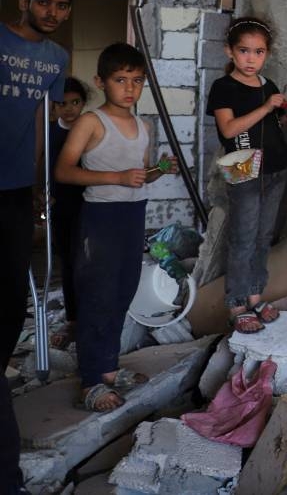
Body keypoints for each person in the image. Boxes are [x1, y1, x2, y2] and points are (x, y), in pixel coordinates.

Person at [55, 43, 178, 412]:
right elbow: (63, 171)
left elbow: (138, 178)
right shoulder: (91, 121)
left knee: (122, 293)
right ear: (101, 82)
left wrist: (159, 170)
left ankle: (108, 369)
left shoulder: (142, 126)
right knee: (98, 297)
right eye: (120, 79)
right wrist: (117, 176)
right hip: (101, 219)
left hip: (132, 216)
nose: (129, 88)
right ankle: (91, 381)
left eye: (137, 80)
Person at [0, 0, 74, 494]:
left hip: (15, 193)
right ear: (24, 1)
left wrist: (39, 182)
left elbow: (43, 124)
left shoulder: (56, 59)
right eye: (43, 3)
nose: (51, 13)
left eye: (61, 6)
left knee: (10, 297)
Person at [207, 17, 287, 334]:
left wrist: (283, 117)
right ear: (229, 52)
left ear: (267, 54)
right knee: (243, 239)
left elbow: (267, 130)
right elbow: (230, 129)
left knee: (263, 237)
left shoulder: (268, 86)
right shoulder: (224, 88)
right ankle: (236, 304)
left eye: (258, 52)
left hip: (275, 169)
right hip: (243, 169)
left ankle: (255, 298)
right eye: (244, 51)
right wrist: (265, 108)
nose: (251, 58)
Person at [48, 76, 89, 350]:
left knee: (89, 262)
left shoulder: (91, 130)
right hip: (60, 205)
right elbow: (44, 166)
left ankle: (90, 316)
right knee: (68, 261)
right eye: (63, 103)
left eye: (76, 102)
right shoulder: (49, 132)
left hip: (90, 203)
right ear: (54, 106)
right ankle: (74, 319)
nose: (70, 109)